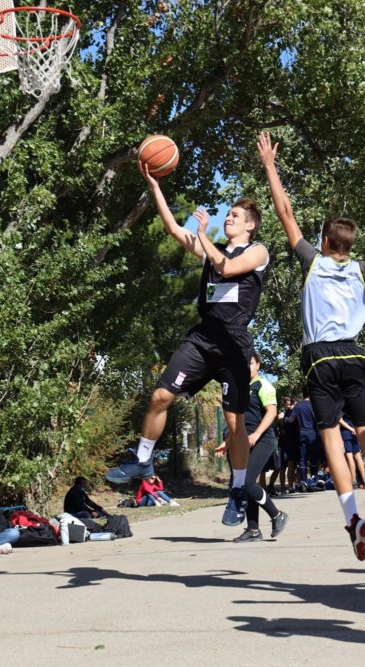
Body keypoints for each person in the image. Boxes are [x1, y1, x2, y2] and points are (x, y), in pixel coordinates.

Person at [258, 131, 365, 561]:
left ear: (325, 241)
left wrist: (270, 165)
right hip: (354, 354)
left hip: (320, 357)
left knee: (330, 434)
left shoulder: (312, 261)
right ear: (350, 245)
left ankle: (353, 517)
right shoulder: (362, 269)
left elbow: (284, 211)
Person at [107, 157, 268, 530]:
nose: (228, 219)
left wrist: (205, 235)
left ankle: (237, 490)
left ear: (250, 225)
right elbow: (173, 229)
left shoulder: (257, 252)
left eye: (235, 216)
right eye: (227, 215)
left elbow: (228, 268)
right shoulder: (212, 248)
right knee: (160, 396)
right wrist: (155, 187)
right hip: (203, 338)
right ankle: (143, 460)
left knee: (235, 423)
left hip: (234, 344)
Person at [217, 352, 289, 542]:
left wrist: (256, 434)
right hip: (242, 440)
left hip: (263, 439)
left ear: (258, 365)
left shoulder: (263, 385)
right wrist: (227, 442)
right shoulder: (238, 389)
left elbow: (272, 412)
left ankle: (277, 515)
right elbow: (236, 421)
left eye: (250, 363)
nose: (246, 367)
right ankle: (253, 530)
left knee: (246, 482)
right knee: (243, 484)